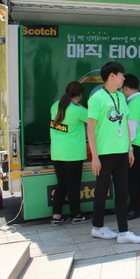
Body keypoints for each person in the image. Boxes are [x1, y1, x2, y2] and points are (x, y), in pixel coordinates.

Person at [87, 61, 140, 244]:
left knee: (122, 192)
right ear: (112, 76)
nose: (123, 78)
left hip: (122, 152)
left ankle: (123, 232)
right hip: (104, 154)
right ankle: (97, 227)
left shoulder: (121, 97)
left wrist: (129, 148)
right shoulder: (96, 98)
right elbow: (90, 129)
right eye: (121, 75)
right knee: (101, 191)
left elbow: (126, 124)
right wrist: (95, 157)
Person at [50, 81, 88, 226]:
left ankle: (56, 216)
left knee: (62, 184)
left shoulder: (55, 106)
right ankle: (76, 214)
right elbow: (93, 118)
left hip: (57, 152)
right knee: (73, 185)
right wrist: (80, 106)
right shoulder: (77, 110)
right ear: (80, 95)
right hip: (73, 153)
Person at [122, 75, 140, 220]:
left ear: (125, 88)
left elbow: (131, 128)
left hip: (135, 144)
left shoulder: (133, 104)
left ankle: (134, 209)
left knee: (131, 177)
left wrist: (129, 148)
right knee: (139, 176)